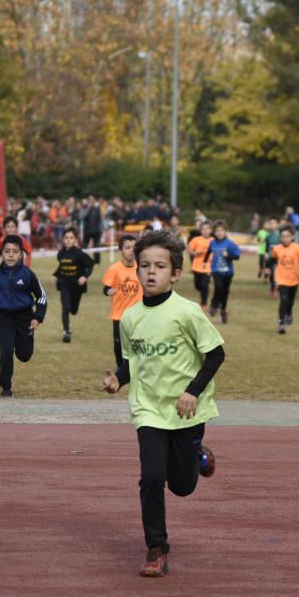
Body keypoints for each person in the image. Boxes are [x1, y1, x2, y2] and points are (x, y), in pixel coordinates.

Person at [101, 230, 224, 578]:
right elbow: (131, 362)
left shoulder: (186, 312)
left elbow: (215, 353)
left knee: (182, 486)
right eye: (144, 265)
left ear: (176, 273)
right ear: (136, 270)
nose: (151, 272)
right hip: (149, 409)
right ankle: (156, 548)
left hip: (185, 410)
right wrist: (118, 380)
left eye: (159, 266)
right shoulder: (129, 317)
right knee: (152, 477)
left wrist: (192, 391)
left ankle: (198, 456)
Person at [0, 235, 47, 397]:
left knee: (24, 355)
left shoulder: (28, 274)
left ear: (21, 254)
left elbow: (41, 297)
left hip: (25, 318)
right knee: (6, 349)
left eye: (15, 252)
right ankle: (5, 386)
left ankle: (25, 339)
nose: (11, 255)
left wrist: (37, 316)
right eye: (7, 251)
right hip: (4, 318)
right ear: (1, 253)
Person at [102, 234, 142, 368]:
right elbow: (106, 287)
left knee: (137, 342)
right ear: (121, 250)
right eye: (127, 247)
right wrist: (109, 291)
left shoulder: (142, 268)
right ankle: (120, 367)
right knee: (118, 343)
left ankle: (137, 366)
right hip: (119, 314)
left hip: (138, 314)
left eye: (134, 247)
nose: (131, 250)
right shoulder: (114, 269)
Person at [52, 227, 95, 343]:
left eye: (71, 238)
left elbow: (90, 265)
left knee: (73, 310)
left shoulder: (79, 253)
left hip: (77, 286)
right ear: (63, 239)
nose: (68, 240)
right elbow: (62, 266)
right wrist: (55, 275)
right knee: (65, 308)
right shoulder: (61, 253)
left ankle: (71, 314)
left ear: (75, 239)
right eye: (66, 238)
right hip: (64, 284)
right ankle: (66, 332)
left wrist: (85, 276)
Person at [271, 225, 299, 334]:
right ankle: (281, 323)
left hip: (294, 278)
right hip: (281, 278)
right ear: (280, 238)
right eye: (283, 236)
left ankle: (289, 312)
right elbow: (272, 260)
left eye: (288, 236)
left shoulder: (297, 248)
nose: (285, 238)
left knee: (290, 300)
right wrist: (268, 268)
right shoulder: (276, 249)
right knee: (283, 299)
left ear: (292, 237)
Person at [207, 220, 241, 324]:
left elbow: (237, 256)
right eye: (217, 230)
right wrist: (204, 262)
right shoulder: (212, 242)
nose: (219, 232)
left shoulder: (230, 244)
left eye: (222, 230)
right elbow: (208, 252)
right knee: (219, 287)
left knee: (225, 291)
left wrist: (228, 256)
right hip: (216, 270)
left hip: (228, 272)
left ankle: (223, 310)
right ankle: (214, 305)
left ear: (225, 231)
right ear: (214, 232)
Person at [187, 220, 213, 311]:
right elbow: (189, 250)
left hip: (208, 267)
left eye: (207, 229)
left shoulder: (213, 241)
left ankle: (203, 303)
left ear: (211, 230)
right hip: (197, 267)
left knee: (205, 285)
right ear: (200, 230)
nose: (205, 231)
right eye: (203, 229)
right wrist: (195, 253)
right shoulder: (196, 239)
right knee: (197, 286)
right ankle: (204, 293)